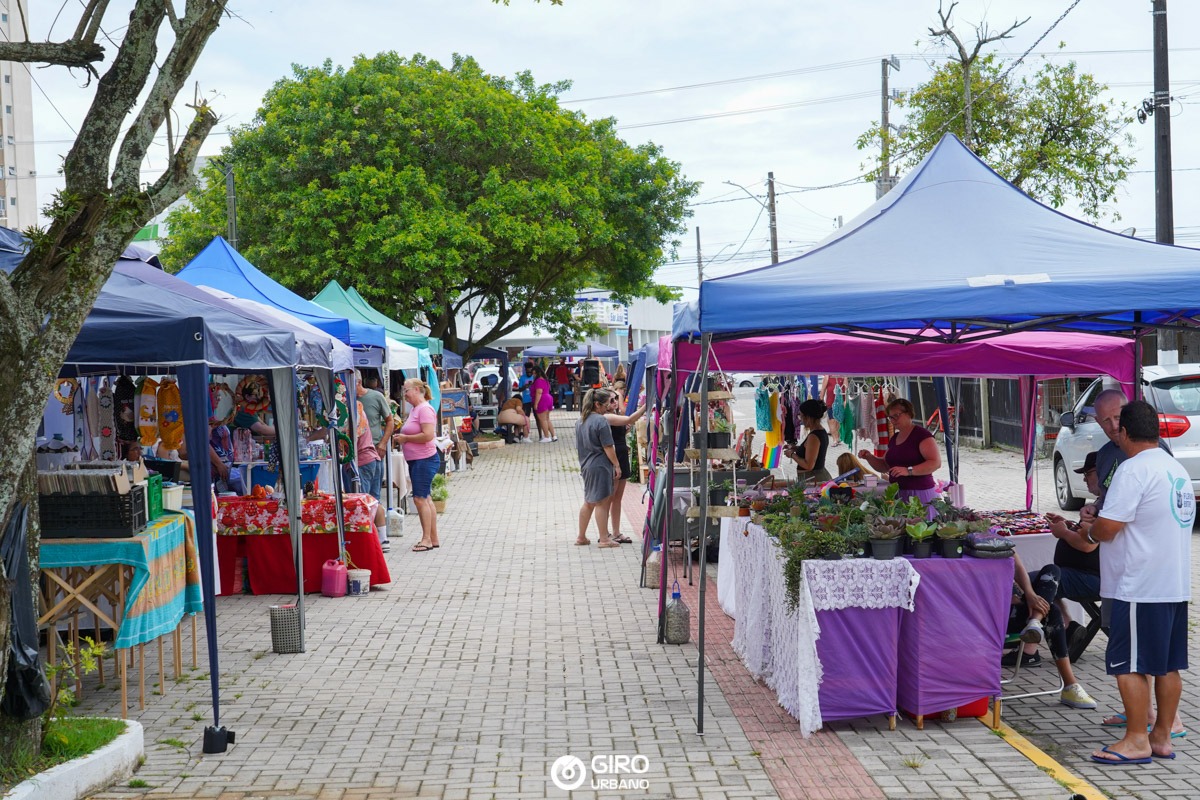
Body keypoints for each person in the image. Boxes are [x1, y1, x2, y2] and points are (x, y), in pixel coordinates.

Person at [1087, 400, 1194, 764]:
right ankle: (1161, 736)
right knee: (1167, 664)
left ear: (1124, 432)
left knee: (1129, 664)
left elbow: (1108, 527)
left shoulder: (1133, 470)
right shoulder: (1175, 469)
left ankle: (1135, 739)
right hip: (1173, 583)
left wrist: (1092, 525)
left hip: (1138, 585)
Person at [1002, 549, 1099, 711]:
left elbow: (1017, 564)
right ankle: (1070, 685)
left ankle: (1034, 621)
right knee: (1052, 611)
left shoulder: (993, 542)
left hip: (1012, 609)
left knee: (1053, 571)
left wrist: (1030, 595)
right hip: (989, 616)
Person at [857, 397, 941, 508]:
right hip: (898, 493)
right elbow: (885, 466)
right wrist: (869, 457)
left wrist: (909, 470)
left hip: (920, 494)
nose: (893, 420)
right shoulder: (895, 437)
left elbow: (935, 463)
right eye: (890, 417)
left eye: (896, 416)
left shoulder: (922, 435)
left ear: (909, 413)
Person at [392, 378, 440, 552]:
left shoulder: (425, 409)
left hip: (424, 459)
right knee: (426, 498)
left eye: (407, 390)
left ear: (418, 390)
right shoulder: (415, 409)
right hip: (417, 459)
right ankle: (433, 538)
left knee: (420, 499)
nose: (404, 394)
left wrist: (405, 439)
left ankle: (426, 539)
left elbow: (427, 435)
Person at [575, 388, 622, 548]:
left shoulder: (580, 421)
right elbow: (608, 447)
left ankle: (581, 537)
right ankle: (604, 538)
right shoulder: (601, 421)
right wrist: (616, 464)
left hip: (586, 464)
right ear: (597, 404)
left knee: (588, 501)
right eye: (606, 404)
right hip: (600, 465)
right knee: (602, 502)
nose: (607, 407)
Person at [602, 389, 647, 544]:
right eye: (612, 400)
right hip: (615, 457)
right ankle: (606, 532)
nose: (615, 402)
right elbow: (630, 419)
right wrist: (645, 406)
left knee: (618, 498)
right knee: (610, 497)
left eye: (616, 399)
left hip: (621, 455)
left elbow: (625, 425)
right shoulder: (606, 416)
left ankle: (615, 531)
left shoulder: (614, 416)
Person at [353, 371, 392, 550]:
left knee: (368, 499)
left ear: (358, 382)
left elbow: (390, 421)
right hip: (369, 453)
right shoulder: (352, 403)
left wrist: (383, 443)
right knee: (373, 499)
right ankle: (381, 540)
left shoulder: (373, 398)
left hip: (371, 453)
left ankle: (372, 540)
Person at [784, 398, 832, 484]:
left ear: (808, 417)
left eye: (801, 416)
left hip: (813, 480)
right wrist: (796, 448)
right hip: (814, 478)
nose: (800, 419)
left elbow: (809, 465)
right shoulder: (820, 431)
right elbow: (811, 451)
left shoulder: (814, 437)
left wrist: (792, 455)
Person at [530, 365, 557, 442]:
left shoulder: (538, 381)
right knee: (547, 419)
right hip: (548, 398)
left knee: (542, 419)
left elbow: (539, 392)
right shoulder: (545, 380)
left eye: (534, 373)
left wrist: (535, 404)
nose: (533, 375)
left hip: (542, 400)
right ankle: (554, 435)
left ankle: (546, 436)